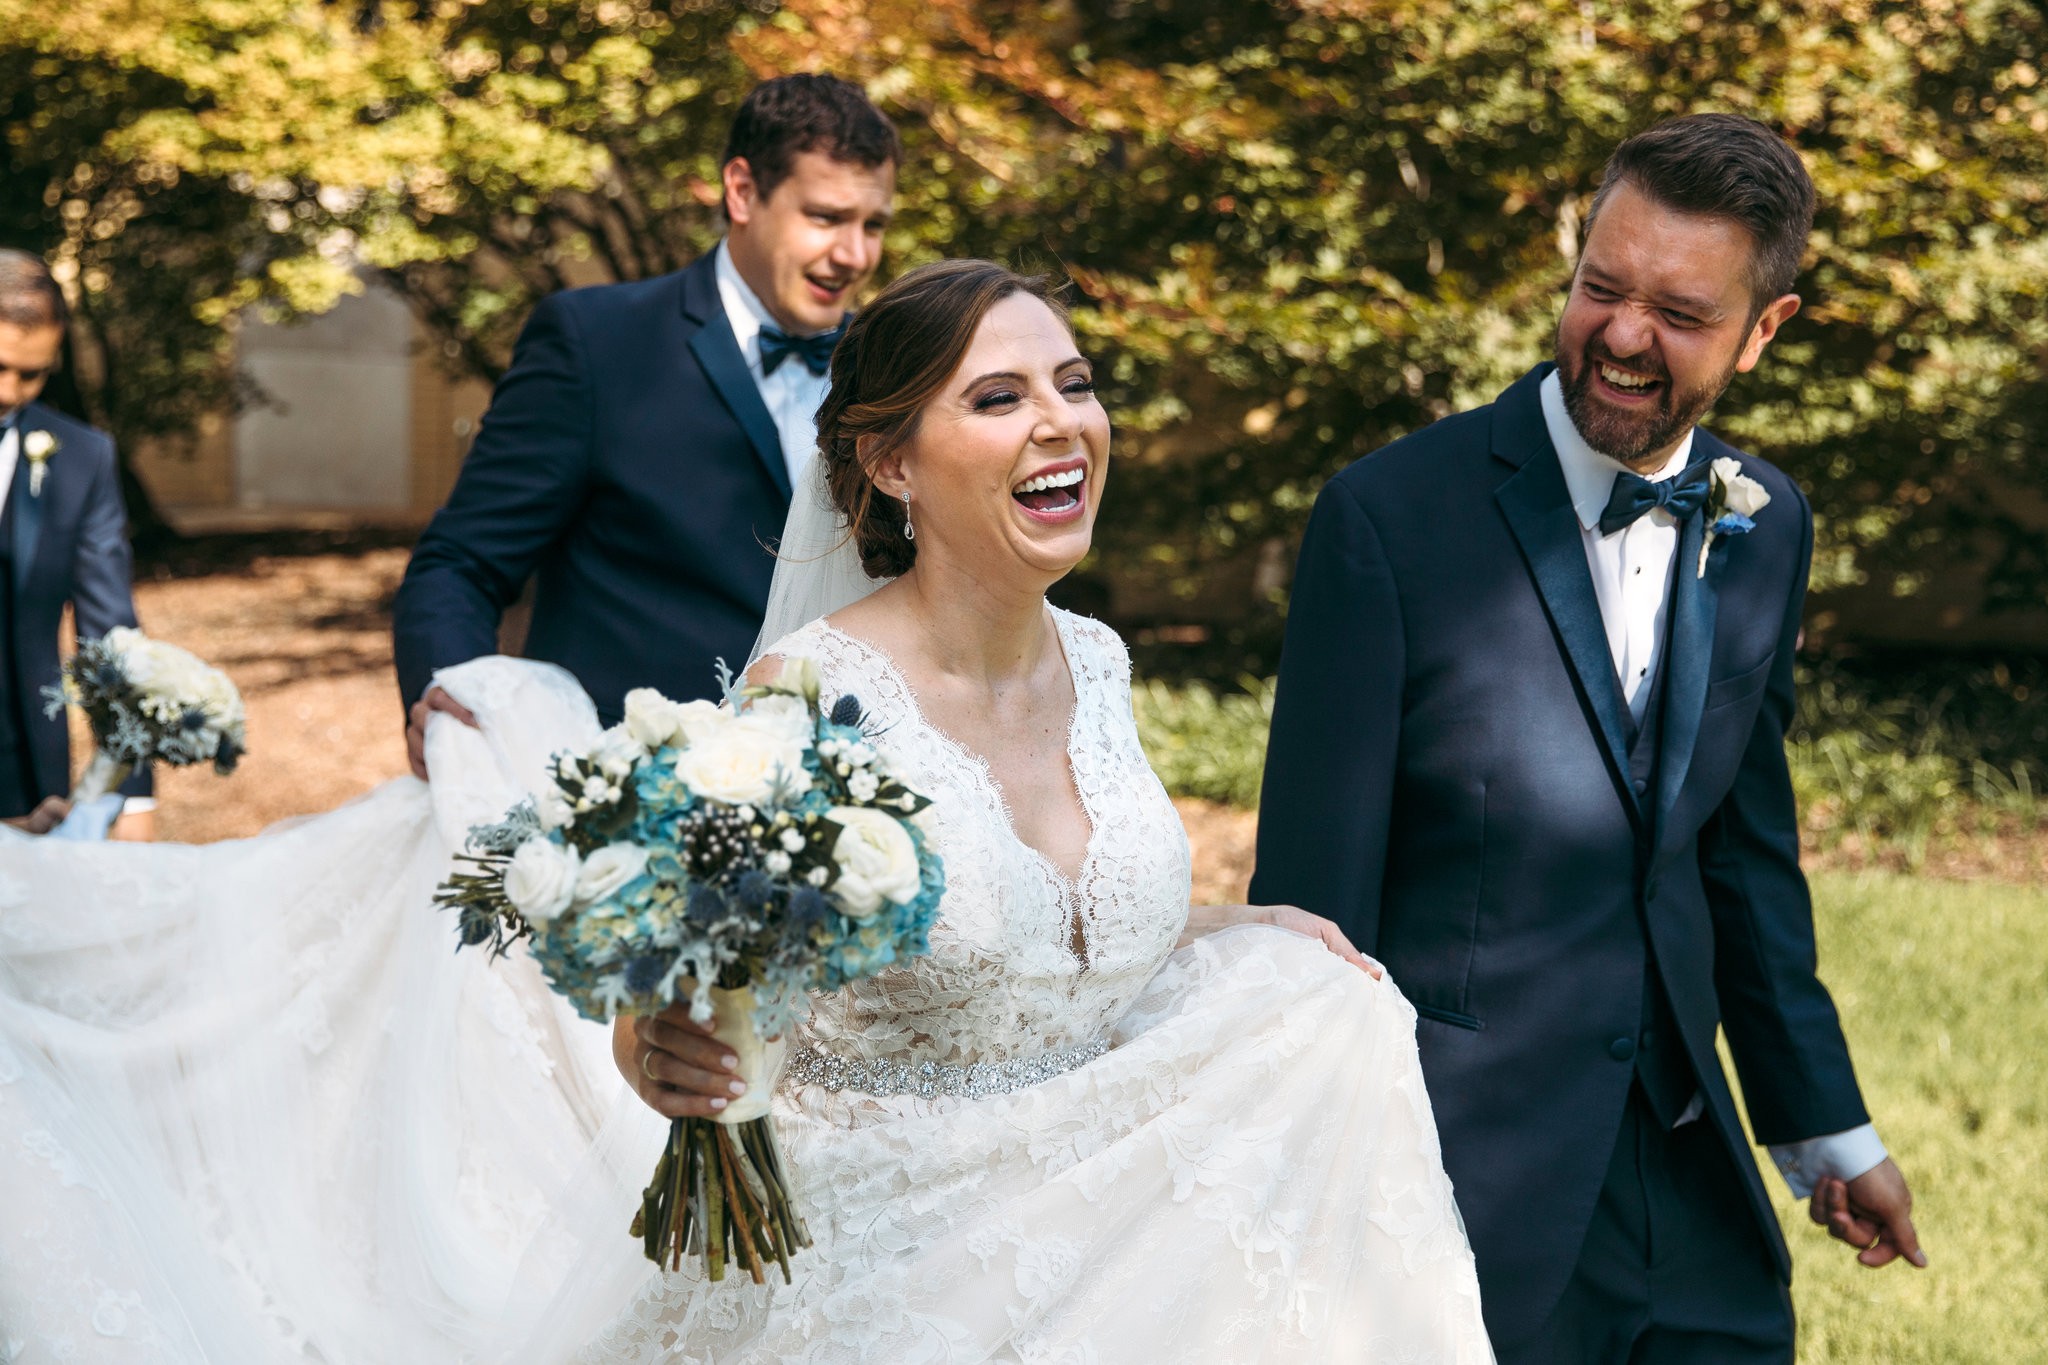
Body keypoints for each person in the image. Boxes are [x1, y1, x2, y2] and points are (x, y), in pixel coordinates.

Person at [0, 260, 1492, 1363]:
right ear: (892, 464)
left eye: (1075, 383)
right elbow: (686, 983)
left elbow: (1048, 917)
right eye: (1001, 395)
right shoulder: (811, 696)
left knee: (1329, 1020)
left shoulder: (1095, 662)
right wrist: (664, 1048)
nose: (1063, 422)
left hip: (1098, 1231)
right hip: (881, 1271)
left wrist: (1244, 931)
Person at [1251, 114, 1922, 1364]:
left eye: (1677, 312)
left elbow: (1740, 858)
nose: (1619, 335)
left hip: (1686, 1176)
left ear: (1762, 330)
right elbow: (1306, 914)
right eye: (1598, 288)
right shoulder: (1385, 520)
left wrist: (1825, 1130)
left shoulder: (1764, 524)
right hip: (1463, 1183)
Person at [392, 73, 900, 778]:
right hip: (618, 797)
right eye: (825, 217)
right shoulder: (595, 342)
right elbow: (463, 562)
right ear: (743, 192)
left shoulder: (891, 369)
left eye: (872, 225)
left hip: (843, 806)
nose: (855, 254)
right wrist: (451, 695)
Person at [0, 247, 152, 838]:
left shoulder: (82, 458)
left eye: (31, 373)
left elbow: (107, 628)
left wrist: (129, 796)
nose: (9, 392)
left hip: (29, 788)